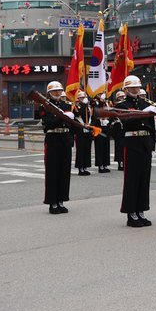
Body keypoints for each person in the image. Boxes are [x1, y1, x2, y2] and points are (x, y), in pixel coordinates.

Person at [117, 75, 156, 228]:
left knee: (144, 179)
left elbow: (151, 128)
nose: (136, 89)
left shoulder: (146, 103)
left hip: (145, 143)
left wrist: (152, 147)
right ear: (125, 89)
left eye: (137, 87)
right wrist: (143, 113)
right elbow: (126, 121)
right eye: (132, 87)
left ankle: (141, 210)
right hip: (132, 143)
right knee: (132, 180)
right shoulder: (122, 105)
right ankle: (131, 213)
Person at [38, 81, 73, 214]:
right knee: (53, 173)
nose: (57, 93)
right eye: (54, 92)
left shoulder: (67, 105)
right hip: (53, 140)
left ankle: (61, 200)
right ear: (49, 93)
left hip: (65, 140)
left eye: (59, 91)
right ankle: (52, 202)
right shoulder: (44, 106)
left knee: (64, 172)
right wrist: (62, 117)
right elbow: (48, 124)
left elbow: (71, 124)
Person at [72, 90, 93, 176]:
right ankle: (80, 168)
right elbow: (78, 114)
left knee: (87, 149)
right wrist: (84, 105)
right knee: (80, 149)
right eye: (81, 98)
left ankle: (86, 166)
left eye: (84, 97)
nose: (83, 99)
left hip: (88, 129)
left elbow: (92, 116)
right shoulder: (76, 107)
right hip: (80, 130)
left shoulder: (88, 107)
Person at [92, 93, 112, 173]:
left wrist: (109, 121)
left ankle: (105, 164)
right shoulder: (95, 104)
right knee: (99, 147)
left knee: (106, 147)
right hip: (99, 128)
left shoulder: (107, 104)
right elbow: (94, 115)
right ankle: (100, 165)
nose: (102, 97)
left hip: (106, 128)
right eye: (100, 95)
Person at [110, 90, 126, 170]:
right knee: (119, 146)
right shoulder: (116, 106)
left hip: (125, 127)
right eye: (120, 97)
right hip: (118, 127)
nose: (122, 98)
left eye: (123, 96)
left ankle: (124, 161)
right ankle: (120, 163)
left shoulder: (125, 105)